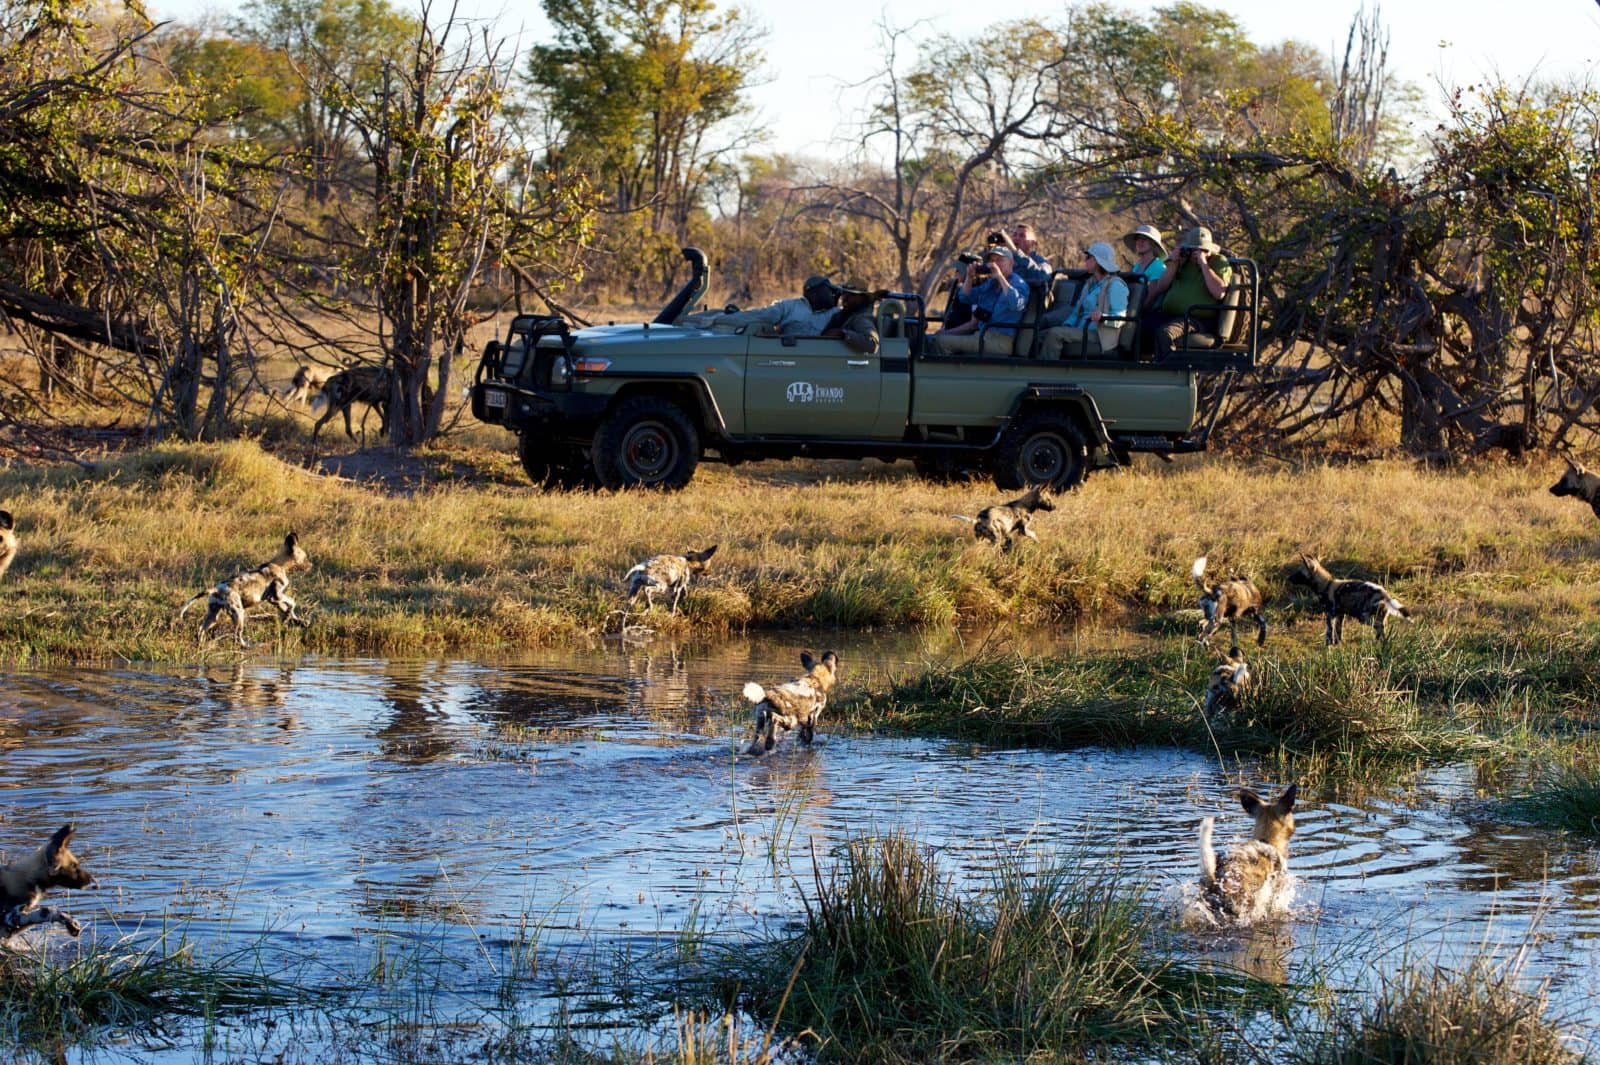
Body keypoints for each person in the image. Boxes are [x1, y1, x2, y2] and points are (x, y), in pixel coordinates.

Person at [1140, 225, 1232, 357]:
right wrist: (1174, 263)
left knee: (1166, 333)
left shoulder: (1218, 262)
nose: (1196, 253)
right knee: (1140, 326)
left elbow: (1219, 292)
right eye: (1193, 249)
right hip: (1171, 315)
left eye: (1202, 250)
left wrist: (1203, 263)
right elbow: (1161, 287)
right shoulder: (1184, 261)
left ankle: (1168, 371)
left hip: (1196, 319)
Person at [930, 246, 1029, 355]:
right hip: (981, 335)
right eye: (992, 260)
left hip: (1000, 340)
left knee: (939, 342)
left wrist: (1000, 277)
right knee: (931, 339)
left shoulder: (1019, 283)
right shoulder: (991, 283)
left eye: (1000, 260)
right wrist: (969, 277)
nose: (994, 264)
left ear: (1011, 263)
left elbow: (1016, 305)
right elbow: (965, 297)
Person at [1039, 242, 1129, 359]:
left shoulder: (1116, 285)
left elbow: (1120, 318)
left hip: (1099, 335)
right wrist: (1068, 324)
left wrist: (1102, 318)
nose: (1085, 260)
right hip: (1082, 329)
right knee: (1040, 335)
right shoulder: (1090, 283)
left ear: (1098, 261)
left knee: (1055, 334)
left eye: (1088, 257)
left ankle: (1047, 373)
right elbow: (1076, 311)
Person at [682, 274, 839, 336]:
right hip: (791, 356)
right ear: (814, 293)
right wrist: (736, 316)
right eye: (827, 290)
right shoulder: (791, 307)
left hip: (817, 358)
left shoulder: (834, 313)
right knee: (719, 316)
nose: (832, 295)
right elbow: (761, 316)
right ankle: (695, 323)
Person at [821, 278, 880, 355]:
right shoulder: (841, 315)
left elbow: (872, 345)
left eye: (851, 295)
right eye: (844, 293)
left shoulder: (862, 318)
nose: (845, 298)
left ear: (862, 298)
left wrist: (843, 334)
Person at [997, 223, 1053, 287]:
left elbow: (1043, 275)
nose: (1017, 238)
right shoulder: (1005, 259)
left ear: (1032, 243)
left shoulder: (1040, 261)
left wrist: (1016, 252)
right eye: (1014, 235)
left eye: (1022, 236)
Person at [1123, 223, 1167, 292]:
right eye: (1137, 238)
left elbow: (1151, 295)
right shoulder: (1137, 265)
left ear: (1153, 243)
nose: (1140, 242)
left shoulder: (1158, 267)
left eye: (1144, 239)